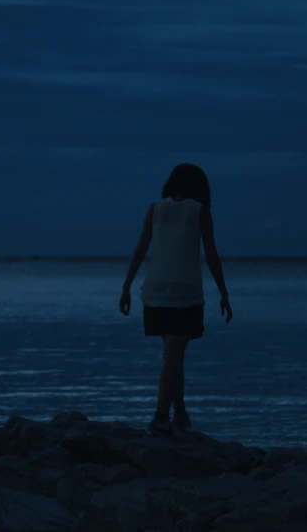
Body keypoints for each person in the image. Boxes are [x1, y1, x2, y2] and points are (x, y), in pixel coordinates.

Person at [119, 163, 232, 435]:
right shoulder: (199, 211)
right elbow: (212, 255)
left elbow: (140, 249)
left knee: (172, 356)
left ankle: (180, 414)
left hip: (155, 291)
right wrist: (224, 293)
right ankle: (160, 417)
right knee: (172, 355)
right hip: (184, 293)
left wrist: (126, 286)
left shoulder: (156, 208)